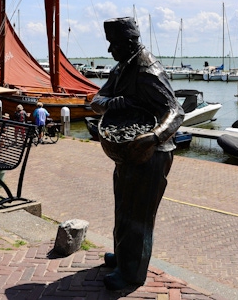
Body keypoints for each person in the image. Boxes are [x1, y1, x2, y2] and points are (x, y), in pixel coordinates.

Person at [91, 17, 184, 291]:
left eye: (114, 45)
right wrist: (111, 102)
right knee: (123, 208)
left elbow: (176, 111)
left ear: (129, 43)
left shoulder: (147, 70)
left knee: (139, 215)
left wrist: (154, 136)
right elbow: (96, 101)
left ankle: (132, 273)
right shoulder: (122, 68)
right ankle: (123, 257)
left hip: (152, 153)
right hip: (127, 153)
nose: (110, 51)